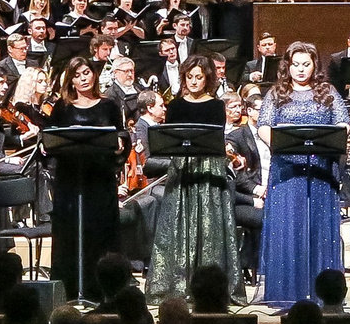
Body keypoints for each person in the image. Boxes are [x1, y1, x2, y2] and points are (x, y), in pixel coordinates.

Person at [258, 42, 350, 306]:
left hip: (321, 170)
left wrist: (327, 142)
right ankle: (287, 292)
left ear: (315, 66)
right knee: (288, 228)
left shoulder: (328, 91)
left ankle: (322, 292)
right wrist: (280, 145)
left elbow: (343, 124)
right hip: (287, 171)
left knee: (318, 229)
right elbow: (264, 126)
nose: (301, 70)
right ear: (288, 66)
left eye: (306, 64)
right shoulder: (277, 93)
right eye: (296, 64)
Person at [148, 57, 239, 298]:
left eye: (199, 77)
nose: (195, 81)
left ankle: (208, 286)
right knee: (179, 221)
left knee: (209, 224)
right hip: (183, 167)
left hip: (208, 167)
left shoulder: (216, 106)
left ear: (208, 78)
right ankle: (179, 282)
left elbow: (216, 139)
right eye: (190, 77)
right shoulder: (176, 106)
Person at [46, 57, 130, 304]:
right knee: (70, 234)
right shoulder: (62, 107)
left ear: (94, 75)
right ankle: (70, 291)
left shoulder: (109, 106)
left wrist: (119, 147)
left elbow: (121, 135)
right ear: (70, 80)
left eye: (86, 73)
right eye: (77, 75)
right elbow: (49, 142)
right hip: (70, 180)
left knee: (100, 232)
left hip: (100, 179)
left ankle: (103, 292)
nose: (83, 78)